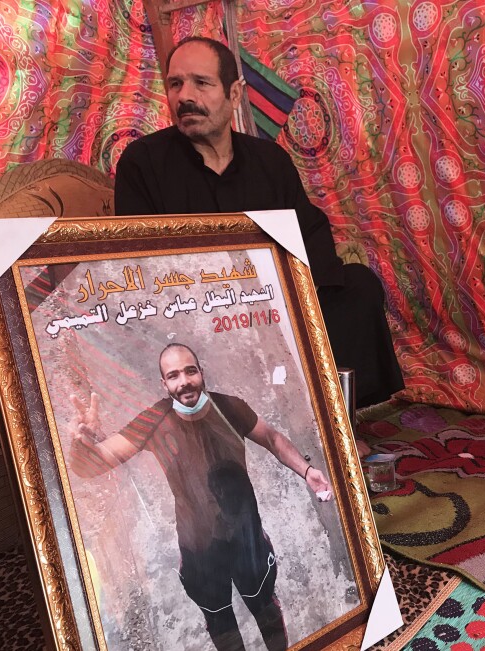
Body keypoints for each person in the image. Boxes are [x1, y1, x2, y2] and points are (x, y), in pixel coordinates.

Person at [114, 36, 404, 408]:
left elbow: (308, 230)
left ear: (235, 94)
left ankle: (337, 419)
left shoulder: (270, 160)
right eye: (175, 84)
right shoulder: (143, 163)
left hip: (274, 303)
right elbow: (134, 260)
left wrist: (295, 299)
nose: (185, 95)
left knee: (357, 286)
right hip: (194, 309)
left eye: (201, 83)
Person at [69, 343, 331, 651]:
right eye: (174, 375)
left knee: (266, 610)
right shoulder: (154, 421)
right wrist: (82, 440)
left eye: (190, 371)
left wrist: (306, 470)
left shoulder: (230, 407)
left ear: (201, 373)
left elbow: (271, 438)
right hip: (199, 549)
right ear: (163, 383)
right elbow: (89, 466)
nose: (184, 382)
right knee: (221, 625)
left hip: (247, 539)